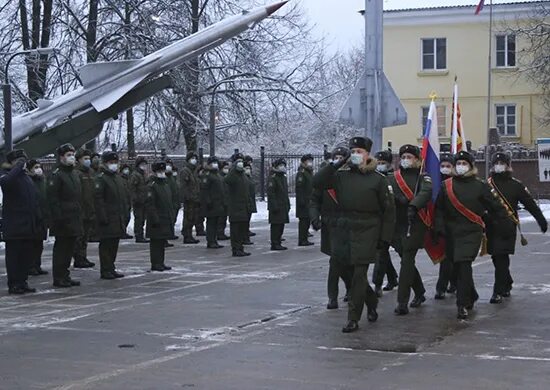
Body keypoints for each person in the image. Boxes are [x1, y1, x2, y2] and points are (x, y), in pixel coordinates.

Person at [313, 137, 395, 333]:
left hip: (367, 229)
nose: (356, 155)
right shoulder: (341, 176)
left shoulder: (378, 180)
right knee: (346, 273)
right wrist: (336, 164)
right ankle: (371, 301)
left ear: (368, 154)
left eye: (360, 151)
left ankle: (353, 318)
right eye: (353, 151)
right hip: (344, 230)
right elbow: (317, 182)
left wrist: (384, 239)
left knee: (359, 275)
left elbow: (389, 212)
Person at [435, 151, 507, 320]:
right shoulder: (447, 186)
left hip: (471, 231)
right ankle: (472, 294)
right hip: (452, 232)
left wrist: (502, 223)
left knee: (464, 264)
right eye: (458, 163)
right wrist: (438, 227)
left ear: (471, 166)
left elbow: (496, 205)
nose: (460, 166)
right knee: (457, 267)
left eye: (464, 163)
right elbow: (439, 209)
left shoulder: (480, 185)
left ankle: (462, 304)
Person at [486, 152, 547, 304]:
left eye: (502, 162)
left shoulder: (516, 185)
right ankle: (507, 282)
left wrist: (541, 220)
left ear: (508, 165)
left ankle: (498, 291)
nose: (499, 165)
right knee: (496, 258)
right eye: (497, 162)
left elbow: (530, 204)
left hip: (507, 227)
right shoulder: (486, 185)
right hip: (491, 228)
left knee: (501, 258)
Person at [388, 145, 432, 315]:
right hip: (396, 225)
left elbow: (426, 192)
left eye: (410, 157)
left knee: (407, 260)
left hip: (414, 224)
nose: (406, 159)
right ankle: (420, 291)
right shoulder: (392, 178)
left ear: (417, 159)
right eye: (403, 156)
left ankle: (402, 301)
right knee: (405, 259)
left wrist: (413, 205)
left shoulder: (423, 178)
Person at [310, 147, 352, 310]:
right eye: (336, 157)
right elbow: (314, 201)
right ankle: (332, 297)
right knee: (335, 262)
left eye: (342, 157)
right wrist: (315, 219)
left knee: (346, 262)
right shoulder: (324, 179)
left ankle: (348, 289)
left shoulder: (350, 178)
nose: (339, 160)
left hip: (347, 225)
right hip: (330, 226)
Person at [0, 150, 40, 294]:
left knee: (25, 257)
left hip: (27, 225)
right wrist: (17, 168)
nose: (23, 164)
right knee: (14, 258)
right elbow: (5, 182)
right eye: (20, 161)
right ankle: (14, 284)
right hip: (14, 225)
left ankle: (23, 281)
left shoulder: (26, 178)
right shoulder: (7, 175)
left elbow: (33, 200)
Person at [48, 144, 83, 288]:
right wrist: (59, 218)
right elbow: (53, 199)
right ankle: (59, 277)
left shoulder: (73, 173)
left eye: (72, 154)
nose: (71, 157)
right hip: (62, 219)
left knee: (69, 249)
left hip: (73, 216)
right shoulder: (57, 174)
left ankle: (65, 275)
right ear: (61, 157)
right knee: (61, 250)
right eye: (68, 155)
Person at [94, 151, 128, 279]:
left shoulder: (117, 178)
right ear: (105, 163)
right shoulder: (101, 178)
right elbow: (98, 199)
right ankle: (105, 269)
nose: (114, 165)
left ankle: (111, 267)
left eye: (115, 162)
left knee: (114, 244)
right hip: (107, 217)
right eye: (111, 163)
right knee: (106, 245)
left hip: (117, 217)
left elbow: (122, 198)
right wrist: (102, 217)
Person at [372, 149, 399, 296]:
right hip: (377, 222)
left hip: (392, 222)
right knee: (382, 254)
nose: (380, 165)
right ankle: (389, 278)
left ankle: (379, 283)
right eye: (379, 162)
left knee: (382, 254)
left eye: (383, 163)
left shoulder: (394, 179)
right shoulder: (373, 178)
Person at [434, 153, 457, 299]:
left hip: (457, 225)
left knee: (452, 259)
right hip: (441, 225)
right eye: (442, 166)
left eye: (448, 166)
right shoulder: (435, 183)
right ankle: (446, 285)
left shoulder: (458, 182)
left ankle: (447, 285)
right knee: (447, 258)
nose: (445, 169)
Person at [145, 161, 175, 271]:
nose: (162, 173)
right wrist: (155, 218)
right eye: (159, 171)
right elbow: (150, 204)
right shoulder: (152, 185)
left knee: (161, 242)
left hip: (165, 217)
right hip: (156, 219)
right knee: (156, 243)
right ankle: (155, 263)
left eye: (163, 171)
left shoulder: (165, 184)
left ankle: (160, 262)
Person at [225, 153, 253, 257]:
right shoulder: (233, 175)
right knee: (235, 231)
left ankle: (240, 248)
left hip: (243, 207)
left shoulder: (243, 176)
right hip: (236, 208)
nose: (241, 164)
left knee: (241, 230)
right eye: (239, 162)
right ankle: (235, 249)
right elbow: (228, 180)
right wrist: (233, 168)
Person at [73, 148, 96, 267]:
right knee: (79, 236)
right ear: (79, 160)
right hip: (81, 209)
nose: (88, 161)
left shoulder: (91, 172)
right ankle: (78, 258)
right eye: (85, 159)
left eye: (89, 158)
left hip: (89, 208)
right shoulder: (77, 173)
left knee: (86, 236)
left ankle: (83, 257)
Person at [27, 159, 49, 276]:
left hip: (42, 216)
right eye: (35, 167)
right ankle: (30, 266)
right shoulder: (28, 181)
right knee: (32, 244)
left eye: (39, 166)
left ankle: (37, 265)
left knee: (39, 244)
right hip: (33, 216)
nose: (38, 169)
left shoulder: (42, 180)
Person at [200, 156, 226, 249]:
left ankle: (214, 240)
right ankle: (211, 241)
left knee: (215, 222)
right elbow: (204, 190)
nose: (215, 164)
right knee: (211, 223)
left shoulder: (217, 174)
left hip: (218, 203)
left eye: (216, 162)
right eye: (213, 162)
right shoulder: (207, 175)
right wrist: (208, 201)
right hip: (211, 204)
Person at [268, 158, 291, 251]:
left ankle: (278, 242)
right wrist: (274, 206)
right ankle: (275, 243)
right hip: (276, 206)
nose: (282, 167)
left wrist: (287, 204)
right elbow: (271, 193)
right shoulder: (273, 178)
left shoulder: (283, 177)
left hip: (283, 205)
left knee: (281, 225)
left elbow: (285, 193)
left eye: (283, 165)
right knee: (276, 226)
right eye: (280, 165)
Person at [180, 151, 201, 244]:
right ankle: (186, 235)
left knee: (192, 217)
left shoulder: (193, 171)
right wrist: (187, 197)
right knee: (188, 217)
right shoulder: (185, 171)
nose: (194, 160)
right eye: (192, 158)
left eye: (195, 158)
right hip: (189, 199)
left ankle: (189, 235)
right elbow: (183, 186)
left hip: (194, 198)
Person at [296, 154, 315, 246]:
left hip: (309, 200)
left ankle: (305, 238)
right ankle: (302, 239)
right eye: (308, 161)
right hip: (303, 201)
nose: (310, 163)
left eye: (311, 161)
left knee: (307, 220)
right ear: (303, 162)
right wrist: (301, 200)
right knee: (303, 221)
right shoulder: (302, 173)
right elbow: (299, 188)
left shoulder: (309, 172)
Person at [129, 156, 150, 243]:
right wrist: (135, 199)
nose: (144, 166)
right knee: (139, 218)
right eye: (142, 164)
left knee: (142, 219)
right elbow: (132, 188)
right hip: (138, 201)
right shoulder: (135, 175)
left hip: (143, 200)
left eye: (145, 164)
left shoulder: (143, 174)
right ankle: (138, 235)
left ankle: (141, 235)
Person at [165, 159, 180, 243]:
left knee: (173, 218)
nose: (168, 166)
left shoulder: (172, 177)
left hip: (174, 201)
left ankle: (171, 233)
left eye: (170, 165)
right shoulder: (164, 177)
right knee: (168, 219)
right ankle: (167, 235)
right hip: (168, 201)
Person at [244, 156, 257, 238]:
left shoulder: (249, 176)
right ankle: (245, 234)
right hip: (245, 200)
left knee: (248, 217)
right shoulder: (242, 177)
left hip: (250, 199)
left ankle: (247, 231)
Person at [217, 161, 231, 240]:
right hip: (221, 201)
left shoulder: (226, 177)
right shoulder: (220, 177)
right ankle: (219, 233)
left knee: (224, 218)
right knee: (221, 218)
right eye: (225, 168)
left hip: (226, 200)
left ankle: (221, 232)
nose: (227, 170)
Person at [119, 163, 133, 239]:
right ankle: (122, 232)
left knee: (127, 217)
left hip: (127, 200)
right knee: (123, 217)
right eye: (125, 169)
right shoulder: (120, 179)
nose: (127, 171)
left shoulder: (128, 179)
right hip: (122, 201)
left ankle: (124, 231)